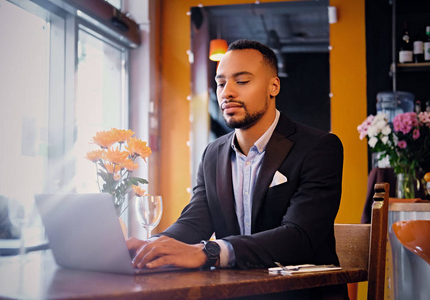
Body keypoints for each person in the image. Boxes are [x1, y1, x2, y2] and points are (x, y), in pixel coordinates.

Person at [127, 40, 344, 278]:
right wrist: (150, 246)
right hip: (235, 290)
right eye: (220, 83)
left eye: (241, 81)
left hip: (303, 292)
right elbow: (194, 222)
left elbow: (298, 237)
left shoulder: (319, 148)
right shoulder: (213, 153)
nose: (227, 92)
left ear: (273, 86)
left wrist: (208, 252)